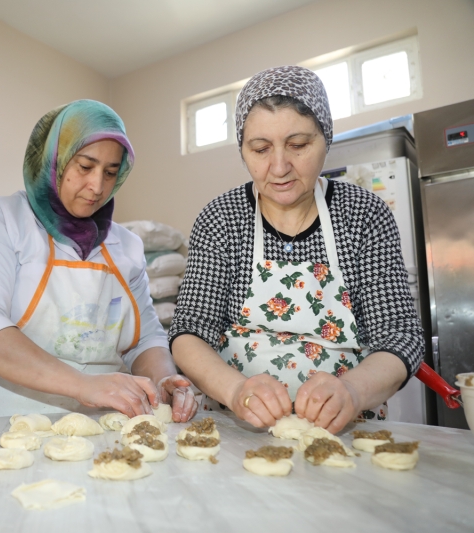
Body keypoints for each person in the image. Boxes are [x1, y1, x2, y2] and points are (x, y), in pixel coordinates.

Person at [170, 66, 424, 434]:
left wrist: (352, 390)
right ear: (242, 149)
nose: (278, 167)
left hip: (346, 430)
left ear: (327, 139)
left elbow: (399, 335)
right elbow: (190, 331)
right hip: (235, 429)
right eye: (259, 149)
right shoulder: (221, 219)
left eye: (298, 145)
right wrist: (236, 389)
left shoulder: (363, 215)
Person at [0, 100, 197, 422]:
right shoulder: (2, 219)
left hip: (100, 425)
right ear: (55, 160)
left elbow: (145, 338)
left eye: (110, 172)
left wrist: (163, 380)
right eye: (85, 166)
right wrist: (84, 385)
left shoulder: (126, 246)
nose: (97, 186)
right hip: (0, 420)